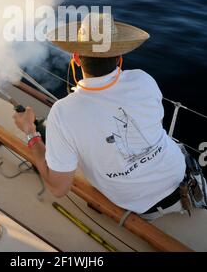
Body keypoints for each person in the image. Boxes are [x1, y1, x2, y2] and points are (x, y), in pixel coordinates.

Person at [13, 12, 186, 221]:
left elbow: (59, 188)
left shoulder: (63, 112)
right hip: (179, 173)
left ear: (76, 58)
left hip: (140, 205)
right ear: (119, 57)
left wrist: (30, 131)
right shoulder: (143, 79)